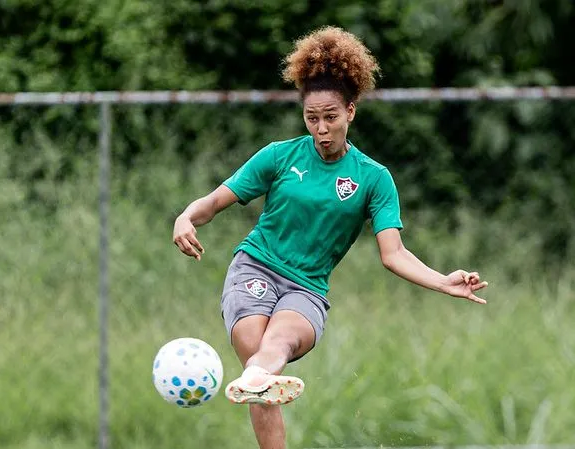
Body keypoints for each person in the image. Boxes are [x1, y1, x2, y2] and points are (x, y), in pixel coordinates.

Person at [172, 25, 489, 449]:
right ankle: (258, 376)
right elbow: (212, 203)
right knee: (255, 349)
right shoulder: (279, 156)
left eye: (330, 117)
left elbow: (393, 254)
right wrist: (185, 217)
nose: (321, 129)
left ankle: (258, 375)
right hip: (256, 267)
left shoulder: (373, 179)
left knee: (277, 342)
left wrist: (441, 280)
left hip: (307, 289)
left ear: (351, 112)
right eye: (311, 118)